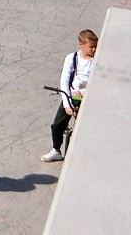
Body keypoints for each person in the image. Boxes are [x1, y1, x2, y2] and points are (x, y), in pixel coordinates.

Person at [40, 29, 97, 162]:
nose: (94, 50)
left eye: (95, 47)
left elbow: (98, 81)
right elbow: (65, 81)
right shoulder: (71, 58)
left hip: (89, 96)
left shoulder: (98, 60)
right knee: (57, 125)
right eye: (91, 47)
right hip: (72, 97)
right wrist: (67, 104)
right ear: (81, 44)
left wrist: (84, 92)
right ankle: (56, 150)